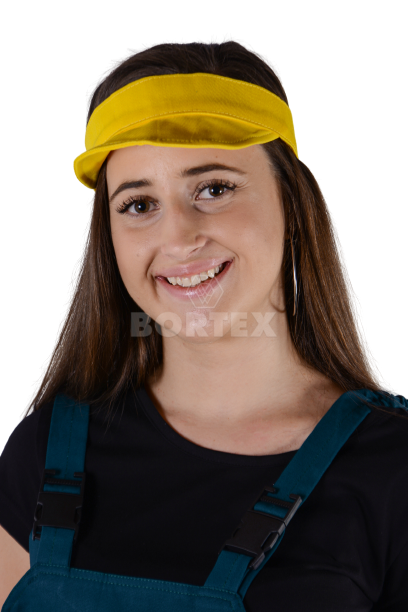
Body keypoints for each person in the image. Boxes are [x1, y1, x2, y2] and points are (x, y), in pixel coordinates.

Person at [0, 41, 407, 611]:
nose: (178, 237)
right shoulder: (47, 450)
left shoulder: (393, 468)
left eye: (214, 189)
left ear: (292, 204)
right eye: (139, 204)